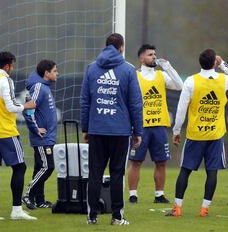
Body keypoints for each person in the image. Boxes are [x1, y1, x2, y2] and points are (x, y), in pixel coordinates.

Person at [166, 49, 228, 217]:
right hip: (215, 135)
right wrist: (223, 64)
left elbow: (181, 109)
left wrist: (176, 131)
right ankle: (204, 209)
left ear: (200, 63)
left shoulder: (191, 81)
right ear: (214, 62)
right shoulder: (223, 80)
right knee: (212, 171)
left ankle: (177, 208)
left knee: (185, 170)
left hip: (195, 135)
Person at [80, 33, 143, 225]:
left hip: (97, 130)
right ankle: (117, 217)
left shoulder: (91, 68)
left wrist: (86, 128)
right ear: (121, 47)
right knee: (117, 174)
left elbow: (85, 101)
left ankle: (92, 217)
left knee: (95, 174)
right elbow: (135, 104)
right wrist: (138, 131)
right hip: (120, 131)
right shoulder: (128, 70)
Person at [0, 51, 36, 221]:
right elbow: (10, 106)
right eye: (12, 65)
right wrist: (26, 106)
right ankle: (16, 211)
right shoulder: (4, 79)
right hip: (5, 131)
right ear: (7, 66)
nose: (12, 69)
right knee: (20, 167)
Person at [128, 44, 183, 204]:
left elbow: (179, 85)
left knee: (161, 161)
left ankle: (159, 194)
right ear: (141, 58)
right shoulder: (135, 76)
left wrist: (168, 66)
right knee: (136, 161)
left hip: (159, 126)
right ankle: (133, 194)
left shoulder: (161, 75)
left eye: (154, 54)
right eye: (150, 54)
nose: (154, 57)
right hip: (141, 126)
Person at [22, 59, 58, 209]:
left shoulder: (45, 87)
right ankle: (27, 195)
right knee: (47, 167)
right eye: (55, 71)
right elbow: (28, 109)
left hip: (48, 136)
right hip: (42, 137)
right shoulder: (38, 87)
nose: (57, 73)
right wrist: (36, 128)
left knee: (39, 167)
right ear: (46, 73)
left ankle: (40, 200)